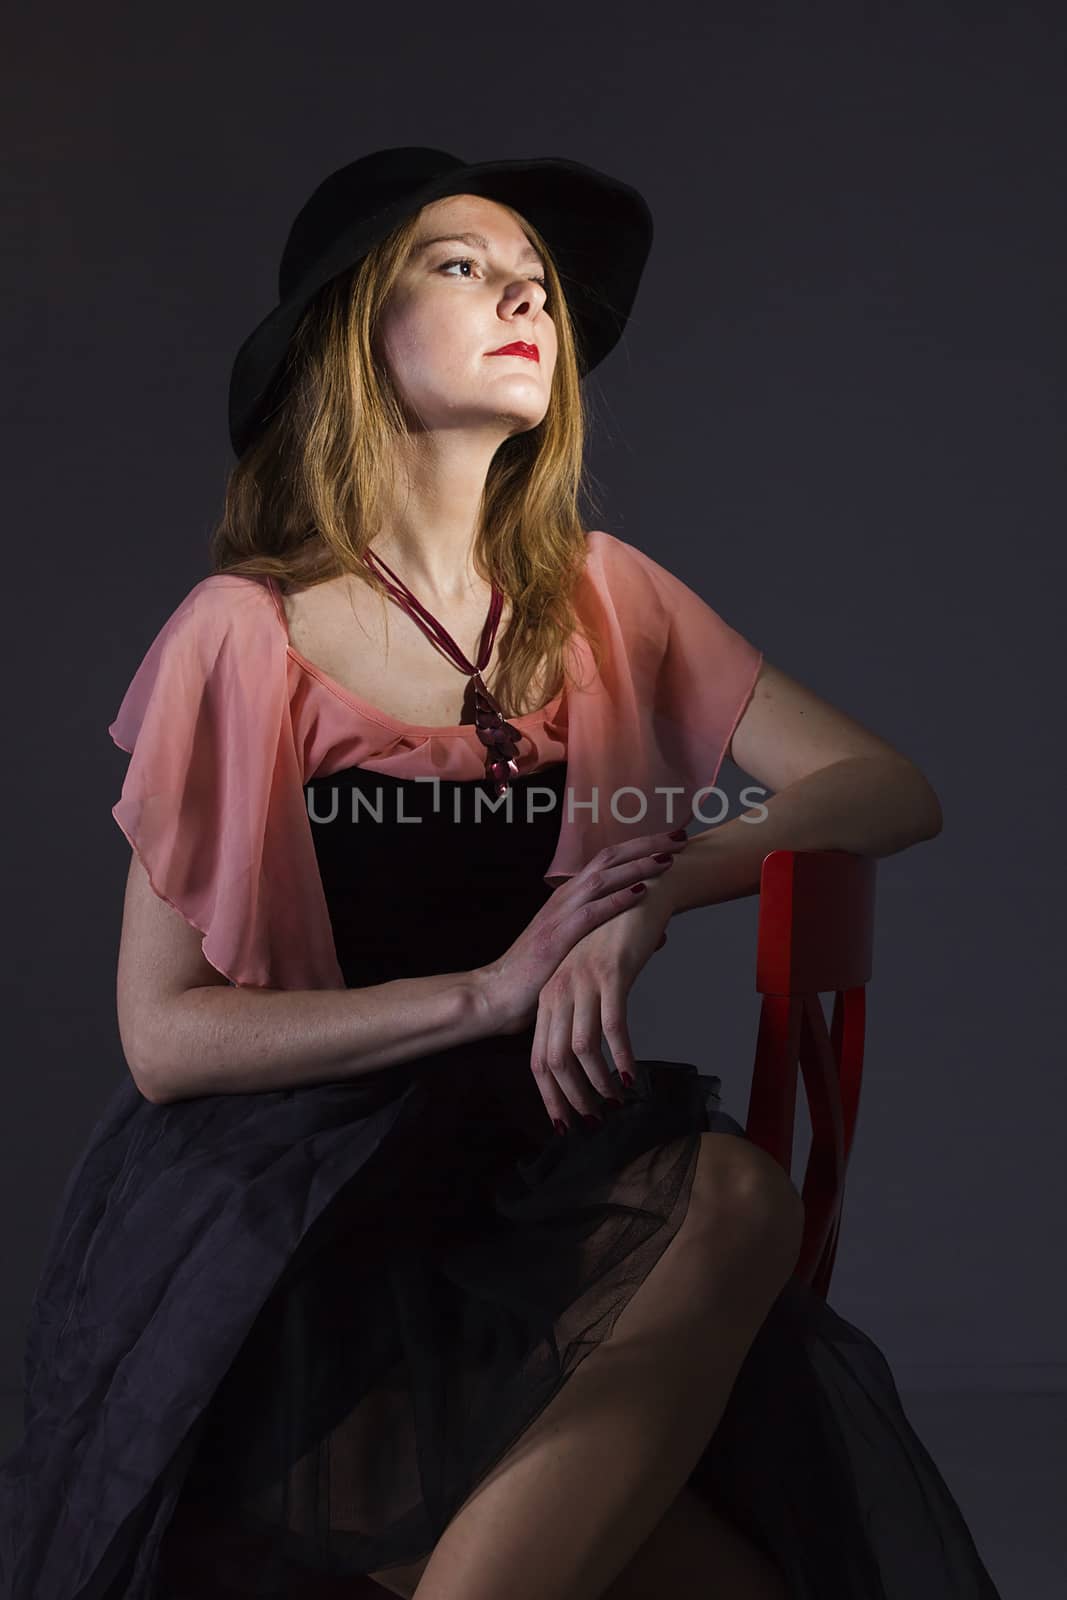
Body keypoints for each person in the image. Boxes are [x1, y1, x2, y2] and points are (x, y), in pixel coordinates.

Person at [0, 147, 1002, 1600]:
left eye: (533, 276)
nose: (523, 290)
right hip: (305, 1215)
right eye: (461, 263)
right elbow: (163, 1039)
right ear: (354, 330)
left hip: (537, 1182)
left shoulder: (603, 594)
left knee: (732, 1201)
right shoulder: (244, 632)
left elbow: (882, 788)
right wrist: (494, 987)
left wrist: (649, 889)